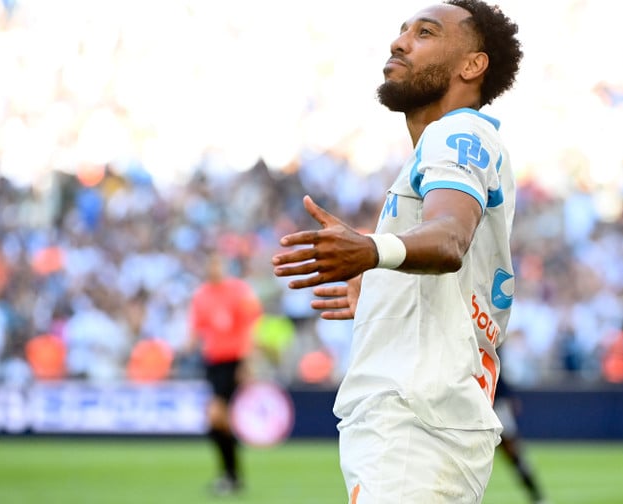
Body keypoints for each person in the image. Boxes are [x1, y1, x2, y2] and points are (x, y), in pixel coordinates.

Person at [271, 1, 523, 501]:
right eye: (403, 30)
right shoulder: (448, 145)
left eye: (425, 33)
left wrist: (372, 251)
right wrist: (384, 284)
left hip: (414, 424)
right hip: (423, 422)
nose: (399, 42)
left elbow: (449, 238)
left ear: (472, 65)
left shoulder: (457, 131)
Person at [185, 252, 262, 495]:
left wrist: (247, 362)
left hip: (233, 361)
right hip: (213, 362)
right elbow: (196, 330)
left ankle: (230, 475)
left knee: (215, 416)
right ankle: (232, 476)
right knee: (220, 422)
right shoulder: (201, 295)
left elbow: (250, 327)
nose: (214, 269)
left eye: (217, 264)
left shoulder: (239, 291)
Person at [493, 374, 548, 504]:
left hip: (496, 405)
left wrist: (507, 396)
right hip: (479, 404)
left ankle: (537, 497)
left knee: (514, 453)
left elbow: (497, 373)